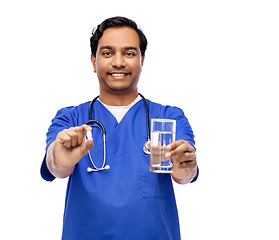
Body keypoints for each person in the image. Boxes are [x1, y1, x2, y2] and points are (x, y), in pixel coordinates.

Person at [40, 16, 199, 240]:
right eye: (107, 53)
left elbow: (184, 174)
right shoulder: (71, 118)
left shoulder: (168, 117)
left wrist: (185, 167)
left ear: (142, 60)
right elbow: (55, 166)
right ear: (93, 61)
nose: (118, 62)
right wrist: (60, 159)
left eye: (129, 53)